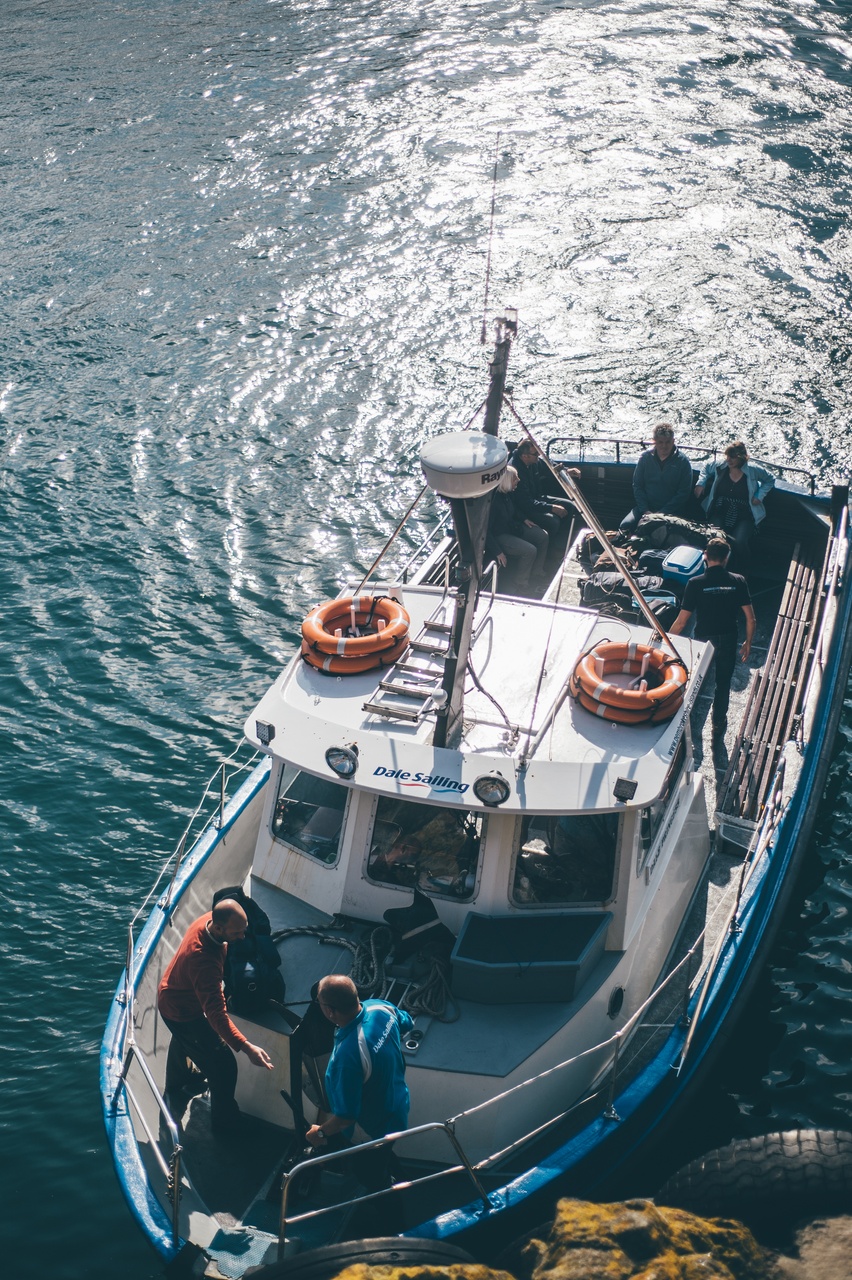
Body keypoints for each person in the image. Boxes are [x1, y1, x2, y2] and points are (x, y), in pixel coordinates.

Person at [158, 899, 274, 1135]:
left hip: (175, 995)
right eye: (237, 933)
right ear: (219, 928)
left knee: (187, 1040)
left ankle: (177, 1083)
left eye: (244, 929)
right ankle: (225, 1125)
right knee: (224, 1066)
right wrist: (246, 1046)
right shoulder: (204, 962)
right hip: (181, 1010)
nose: (242, 937)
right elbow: (216, 1015)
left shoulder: (208, 921)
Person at [306, 975, 413, 1196]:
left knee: (369, 1173)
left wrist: (320, 1133)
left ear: (330, 1012)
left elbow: (346, 1116)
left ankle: (390, 1209)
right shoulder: (381, 1008)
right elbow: (407, 1022)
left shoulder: (347, 1058)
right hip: (398, 1105)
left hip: (371, 1129)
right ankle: (401, 1181)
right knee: (385, 1153)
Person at [669, 537, 756, 741]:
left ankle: (684, 724)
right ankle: (718, 724)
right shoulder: (738, 581)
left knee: (695, 681)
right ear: (727, 558)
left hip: (703, 641)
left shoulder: (695, 583)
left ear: (705, 556)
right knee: (723, 683)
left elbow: (682, 622)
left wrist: (667, 641)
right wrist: (748, 642)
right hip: (728, 638)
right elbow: (750, 618)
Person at [694, 441, 775, 576]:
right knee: (714, 537)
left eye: (733, 457)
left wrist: (759, 495)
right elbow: (706, 467)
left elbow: (770, 479)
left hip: (744, 513)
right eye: (727, 456)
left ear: (742, 457)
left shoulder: (753, 470)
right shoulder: (721, 466)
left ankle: (744, 568)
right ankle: (712, 569)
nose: (729, 460)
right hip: (720, 510)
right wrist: (701, 483)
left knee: (739, 541)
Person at [620, 423, 695, 534]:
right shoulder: (645, 458)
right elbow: (638, 486)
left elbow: (683, 493)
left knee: (663, 533)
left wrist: (661, 513)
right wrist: (645, 510)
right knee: (625, 526)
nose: (664, 446)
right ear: (654, 441)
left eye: (667, 442)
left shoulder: (683, 462)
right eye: (660, 442)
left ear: (673, 441)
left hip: (671, 512)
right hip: (645, 509)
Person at [484, 465, 548, 593]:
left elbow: (514, 510)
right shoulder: (494, 501)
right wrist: (498, 552)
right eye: (515, 478)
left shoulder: (508, 494)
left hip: (511, 528)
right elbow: (486, 531)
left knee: (542, 536)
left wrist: (524, 519)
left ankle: (537, 571)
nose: (518, 480)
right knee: (529, 550)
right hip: (500, 536)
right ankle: (520, 582)